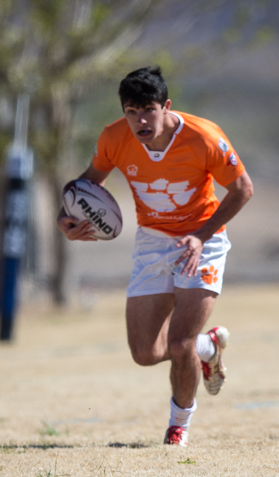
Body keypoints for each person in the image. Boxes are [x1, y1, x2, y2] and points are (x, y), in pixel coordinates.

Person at [56, 66, 254, 446]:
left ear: (165, 106)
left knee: (179, 344)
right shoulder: (114, 138)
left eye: (147, 109)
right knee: (145, 353)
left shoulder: (204, 137)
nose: (140, 120)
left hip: (203, 240)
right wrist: (66, 219)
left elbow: (243, 189)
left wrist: (200, 236)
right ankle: (208, 347)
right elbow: (83, 185)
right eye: (131, 111)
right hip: (153, 240)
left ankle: (178, 426)